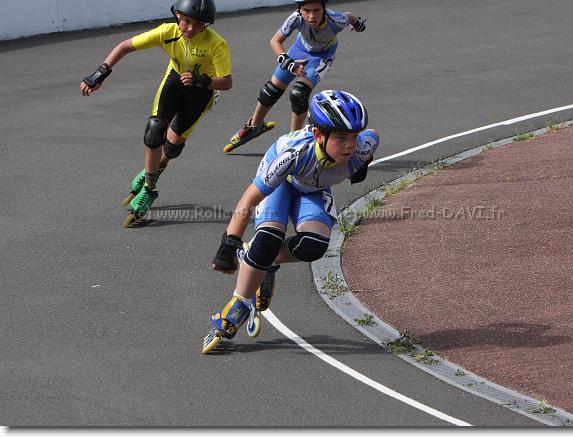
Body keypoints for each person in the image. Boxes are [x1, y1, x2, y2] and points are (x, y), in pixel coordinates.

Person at [203, 90, 379, 353]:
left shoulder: (363, 148)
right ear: (318, 135)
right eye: (341, 137)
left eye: (353, 136)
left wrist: (362, 163)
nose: (349, 145)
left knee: (313, 246)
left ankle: (262, 261)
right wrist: (229, 243)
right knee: (268, 239)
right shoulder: (293, 154)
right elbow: (249, 198)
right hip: (282, 183)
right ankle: (238, 304)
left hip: (313, 188)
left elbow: (373, 135)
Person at [80, 0, 233, 227]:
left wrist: (202, 80)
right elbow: (125, 46)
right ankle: (150, 188)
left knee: (172, 147)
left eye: (198, 24)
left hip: (202, 92)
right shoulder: (166, 32)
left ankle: (151, 170)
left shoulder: (216, 43)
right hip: (175, 81)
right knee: (155, 130)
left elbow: (227, 82)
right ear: (177, 15)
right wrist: (98, 75)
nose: (191, 28)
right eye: (187, 21)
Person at [222, 0, 367, 153]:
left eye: (316, 10)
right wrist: (288, 62)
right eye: (307, 11)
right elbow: (275, 41)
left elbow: (349, 17)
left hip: (322, 56)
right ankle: (254, 125)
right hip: (299, 50)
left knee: (299, 94)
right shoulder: (295, 18)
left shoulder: (336, 20)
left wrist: (357, 24)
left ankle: (293, 139)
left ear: (324, 9)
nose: (312, 16)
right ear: (300, 10)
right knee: (270, 90)